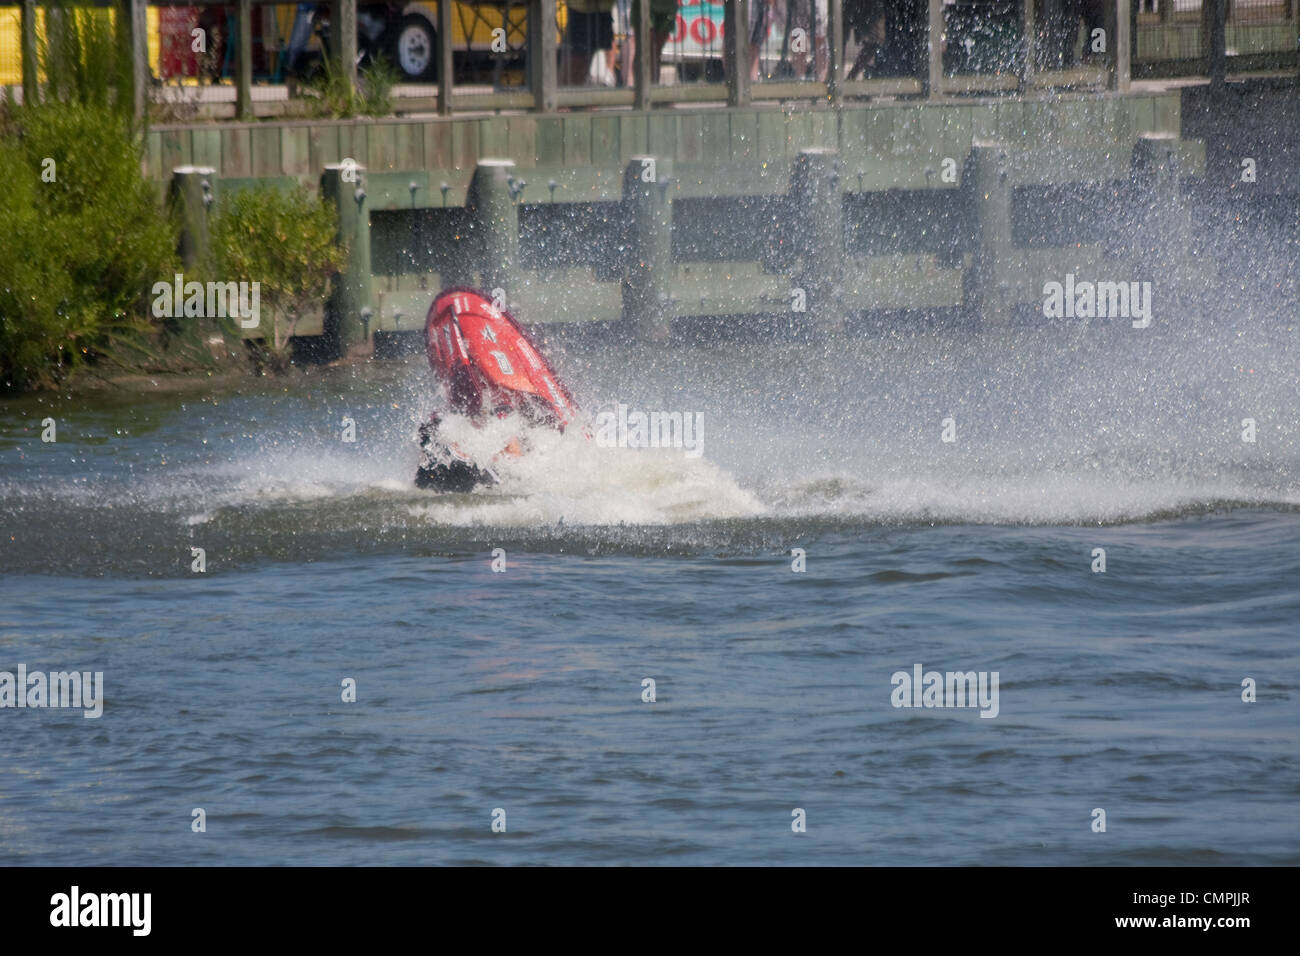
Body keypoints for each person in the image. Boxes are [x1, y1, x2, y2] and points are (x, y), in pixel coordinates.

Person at [562, 0, 617, 86]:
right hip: (580, 10)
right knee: (576, 65)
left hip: (602, 9)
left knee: (582, 64)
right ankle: (563, 96)